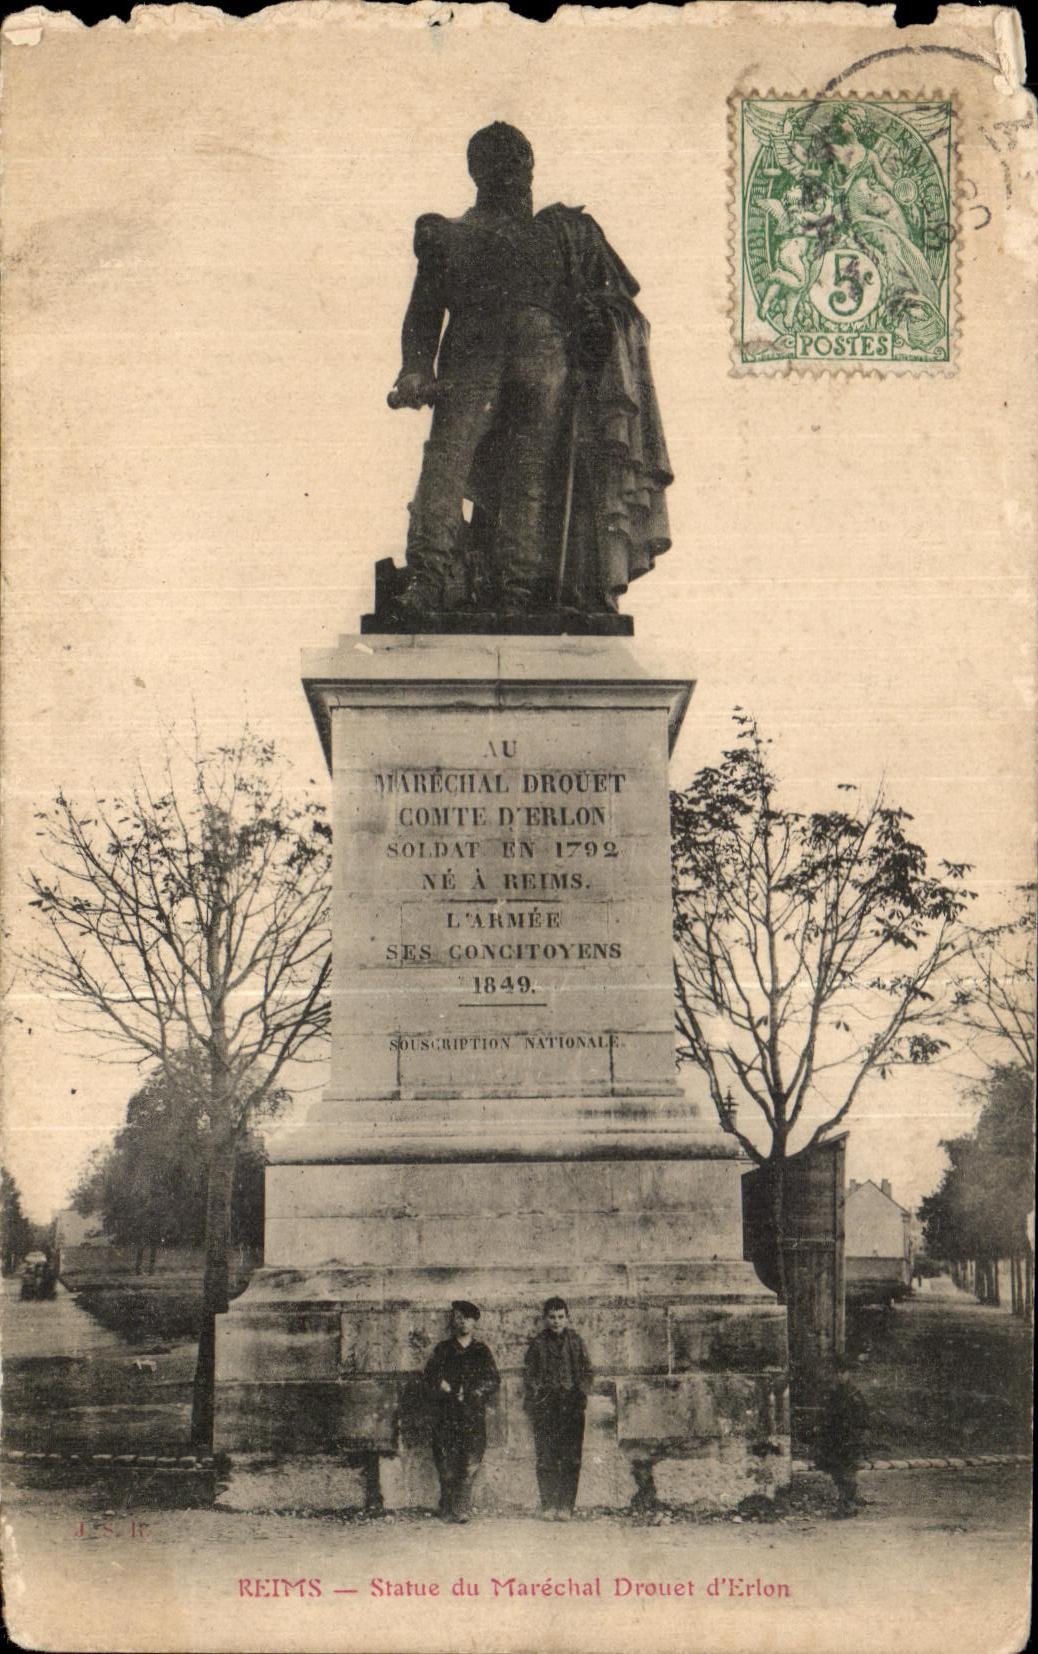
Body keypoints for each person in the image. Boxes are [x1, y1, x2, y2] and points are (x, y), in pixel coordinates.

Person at [387, 122, 672, 623]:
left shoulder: (559, 234)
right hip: (480, 355)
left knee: (523, 473)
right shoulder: (448, 233)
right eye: (504, 164)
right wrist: (414, 368)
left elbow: (607, 304)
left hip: (544, 360)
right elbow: (424, 312)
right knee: (452, 465)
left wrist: (594, 323)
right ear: (478, 172)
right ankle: (431, 580)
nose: (515, 175)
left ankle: (513, 592)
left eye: (519, 163)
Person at [424, 1300, 500, 1523]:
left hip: (471, 1415)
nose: (463, 1322)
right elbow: (430, 1376)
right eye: (459, 1317)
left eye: (467, 1318)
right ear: (453, 1321)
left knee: (469, 1461)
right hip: (447, 1414)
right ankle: (446, 1506)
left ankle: (462, 1507)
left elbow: (493, 1379)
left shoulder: (481, 1351)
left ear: (474, 1322)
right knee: (446, 1460)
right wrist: (442, 1385)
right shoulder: (443, 1349)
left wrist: (476, 1393)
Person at [523, 1296, 593, 1520]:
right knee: (546, 1456)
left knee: (571, 1457)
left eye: (560, 1317)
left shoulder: (576, 1342)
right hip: (547, 1406)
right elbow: (530, 1374)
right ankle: (549, 1505)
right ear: (545, 1319)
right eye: (552, 1317)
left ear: (567, 1317)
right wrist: (538, 1393)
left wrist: (580, 1392)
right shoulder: (538, 1343)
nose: (556, 1321)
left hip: (571, 1405)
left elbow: (587, 1371)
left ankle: (566, 1506)